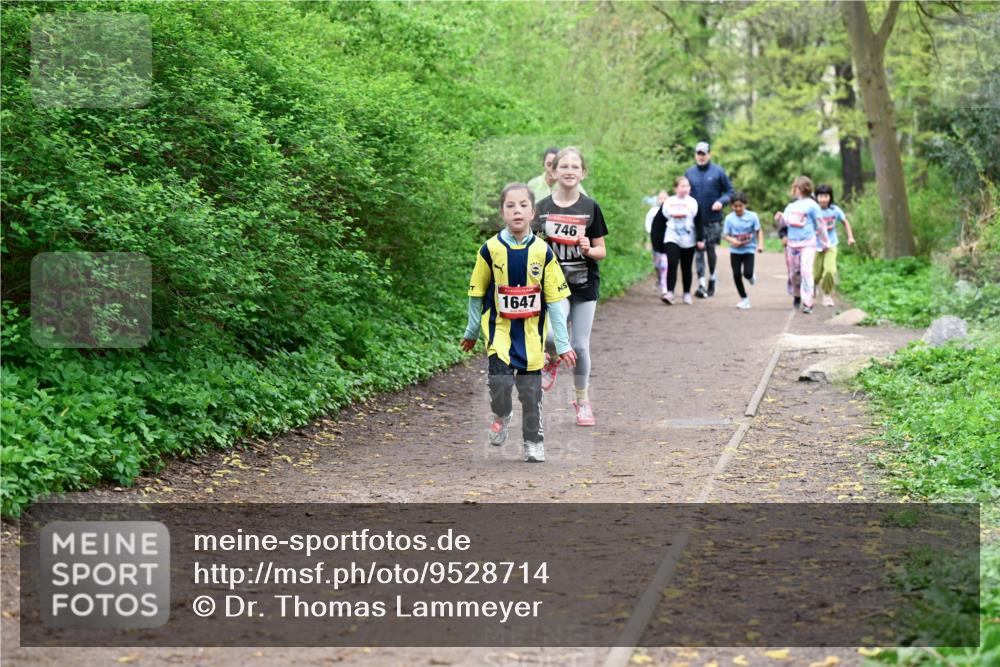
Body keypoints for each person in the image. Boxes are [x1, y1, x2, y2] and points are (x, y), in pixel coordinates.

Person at [462, 183, 577, 463]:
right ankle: (502, 412)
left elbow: (555, 302)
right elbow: (476, 293)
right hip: (499, 330)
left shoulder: (543, 252)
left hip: (531, 335)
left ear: (533, 212)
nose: (517, 211)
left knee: (530, 393)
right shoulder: (489, 249)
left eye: (523, 205)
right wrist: (472, 331)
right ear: (502, 212)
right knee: (499, 381)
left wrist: (562, 344)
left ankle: (533, 442)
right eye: (510, 206)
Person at [534, 147, 608, 427]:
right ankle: (551, 359)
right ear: (553, 171)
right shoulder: (542, 208)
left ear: (582, 173)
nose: (569, 171)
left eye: (575, 167)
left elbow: (602, 251)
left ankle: (582, 401)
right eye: (563, 166)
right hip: (555, 286)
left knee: (580, 345)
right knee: (552, 337)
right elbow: (532, 247)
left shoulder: (590, 207)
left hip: (584, 284)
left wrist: (589, 249)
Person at [773, 176, 829, 314]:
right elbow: (784, 223)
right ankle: (797, 295)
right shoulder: (791, 206)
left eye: (795, 187)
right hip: (792, 245)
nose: (793, 189)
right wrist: (779, 218)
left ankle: (808, 302)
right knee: (794, 274)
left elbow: (820, 224)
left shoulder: (812, 205)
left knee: (806, 271)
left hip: (808, 244)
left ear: (801, 188)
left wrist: (825, 242)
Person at [685, 141, 734, 299]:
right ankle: (701, 283)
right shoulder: (689, 173)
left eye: (703, 153)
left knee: (711, 250)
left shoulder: (718, 172)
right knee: (699, 250)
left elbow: (730, 191)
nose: (701, 156)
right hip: (695, 220)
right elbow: (683, 193)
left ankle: (712, 277)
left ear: (709, 154)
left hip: (713, 220)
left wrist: (721, 201)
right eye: (698, 153)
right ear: (695, 155)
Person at [649, 176, 699, 305]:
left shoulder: (693, 202)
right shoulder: (669, 202)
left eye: (687, 186)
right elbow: (658, 223)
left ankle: (686, 293)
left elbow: (699, 221)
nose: (685, 188)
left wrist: (700, 239)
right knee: (672, 263)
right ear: (676, 188)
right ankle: (670, 293)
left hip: (689, 239)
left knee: (686, 267)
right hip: (671, 238)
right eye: (682, 186)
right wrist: (657, 243)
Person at [813, 184, 856, 307]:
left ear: (830, 197)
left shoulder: (834, 210)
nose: (823, 199)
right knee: (815, 274)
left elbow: (845, 222)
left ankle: (827, 295)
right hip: (816, 245)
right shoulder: (813, 210)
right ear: (816, 197)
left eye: (826, 196)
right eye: (821, 196)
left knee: (830, 271)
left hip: (831, 244)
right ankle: (813, 285)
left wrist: (850, 237)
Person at [722, 192, 763, 309]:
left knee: (747, 273)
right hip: (735, 251)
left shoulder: (752, 216)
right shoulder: (729, 218)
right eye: (735, 206)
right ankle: (744, 298)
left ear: (745, 205)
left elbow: (758, 231)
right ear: (732, 206)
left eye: (740, 206)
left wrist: (760, 245)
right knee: (736, 274)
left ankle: (751, 277)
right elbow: (725, 235)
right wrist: (732, 240)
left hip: (749, 249)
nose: (738, 208)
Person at [645, 189, 669, 297]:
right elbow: (648, 224)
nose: (663, 200)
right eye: (660, 198)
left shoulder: (670, 211)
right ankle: (660, 279)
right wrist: (652, 234)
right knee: (657, 263)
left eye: (665, 198)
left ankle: (665, 287)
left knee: (665, 263)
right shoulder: (653, 211)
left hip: (668, 241)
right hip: (656, 240)